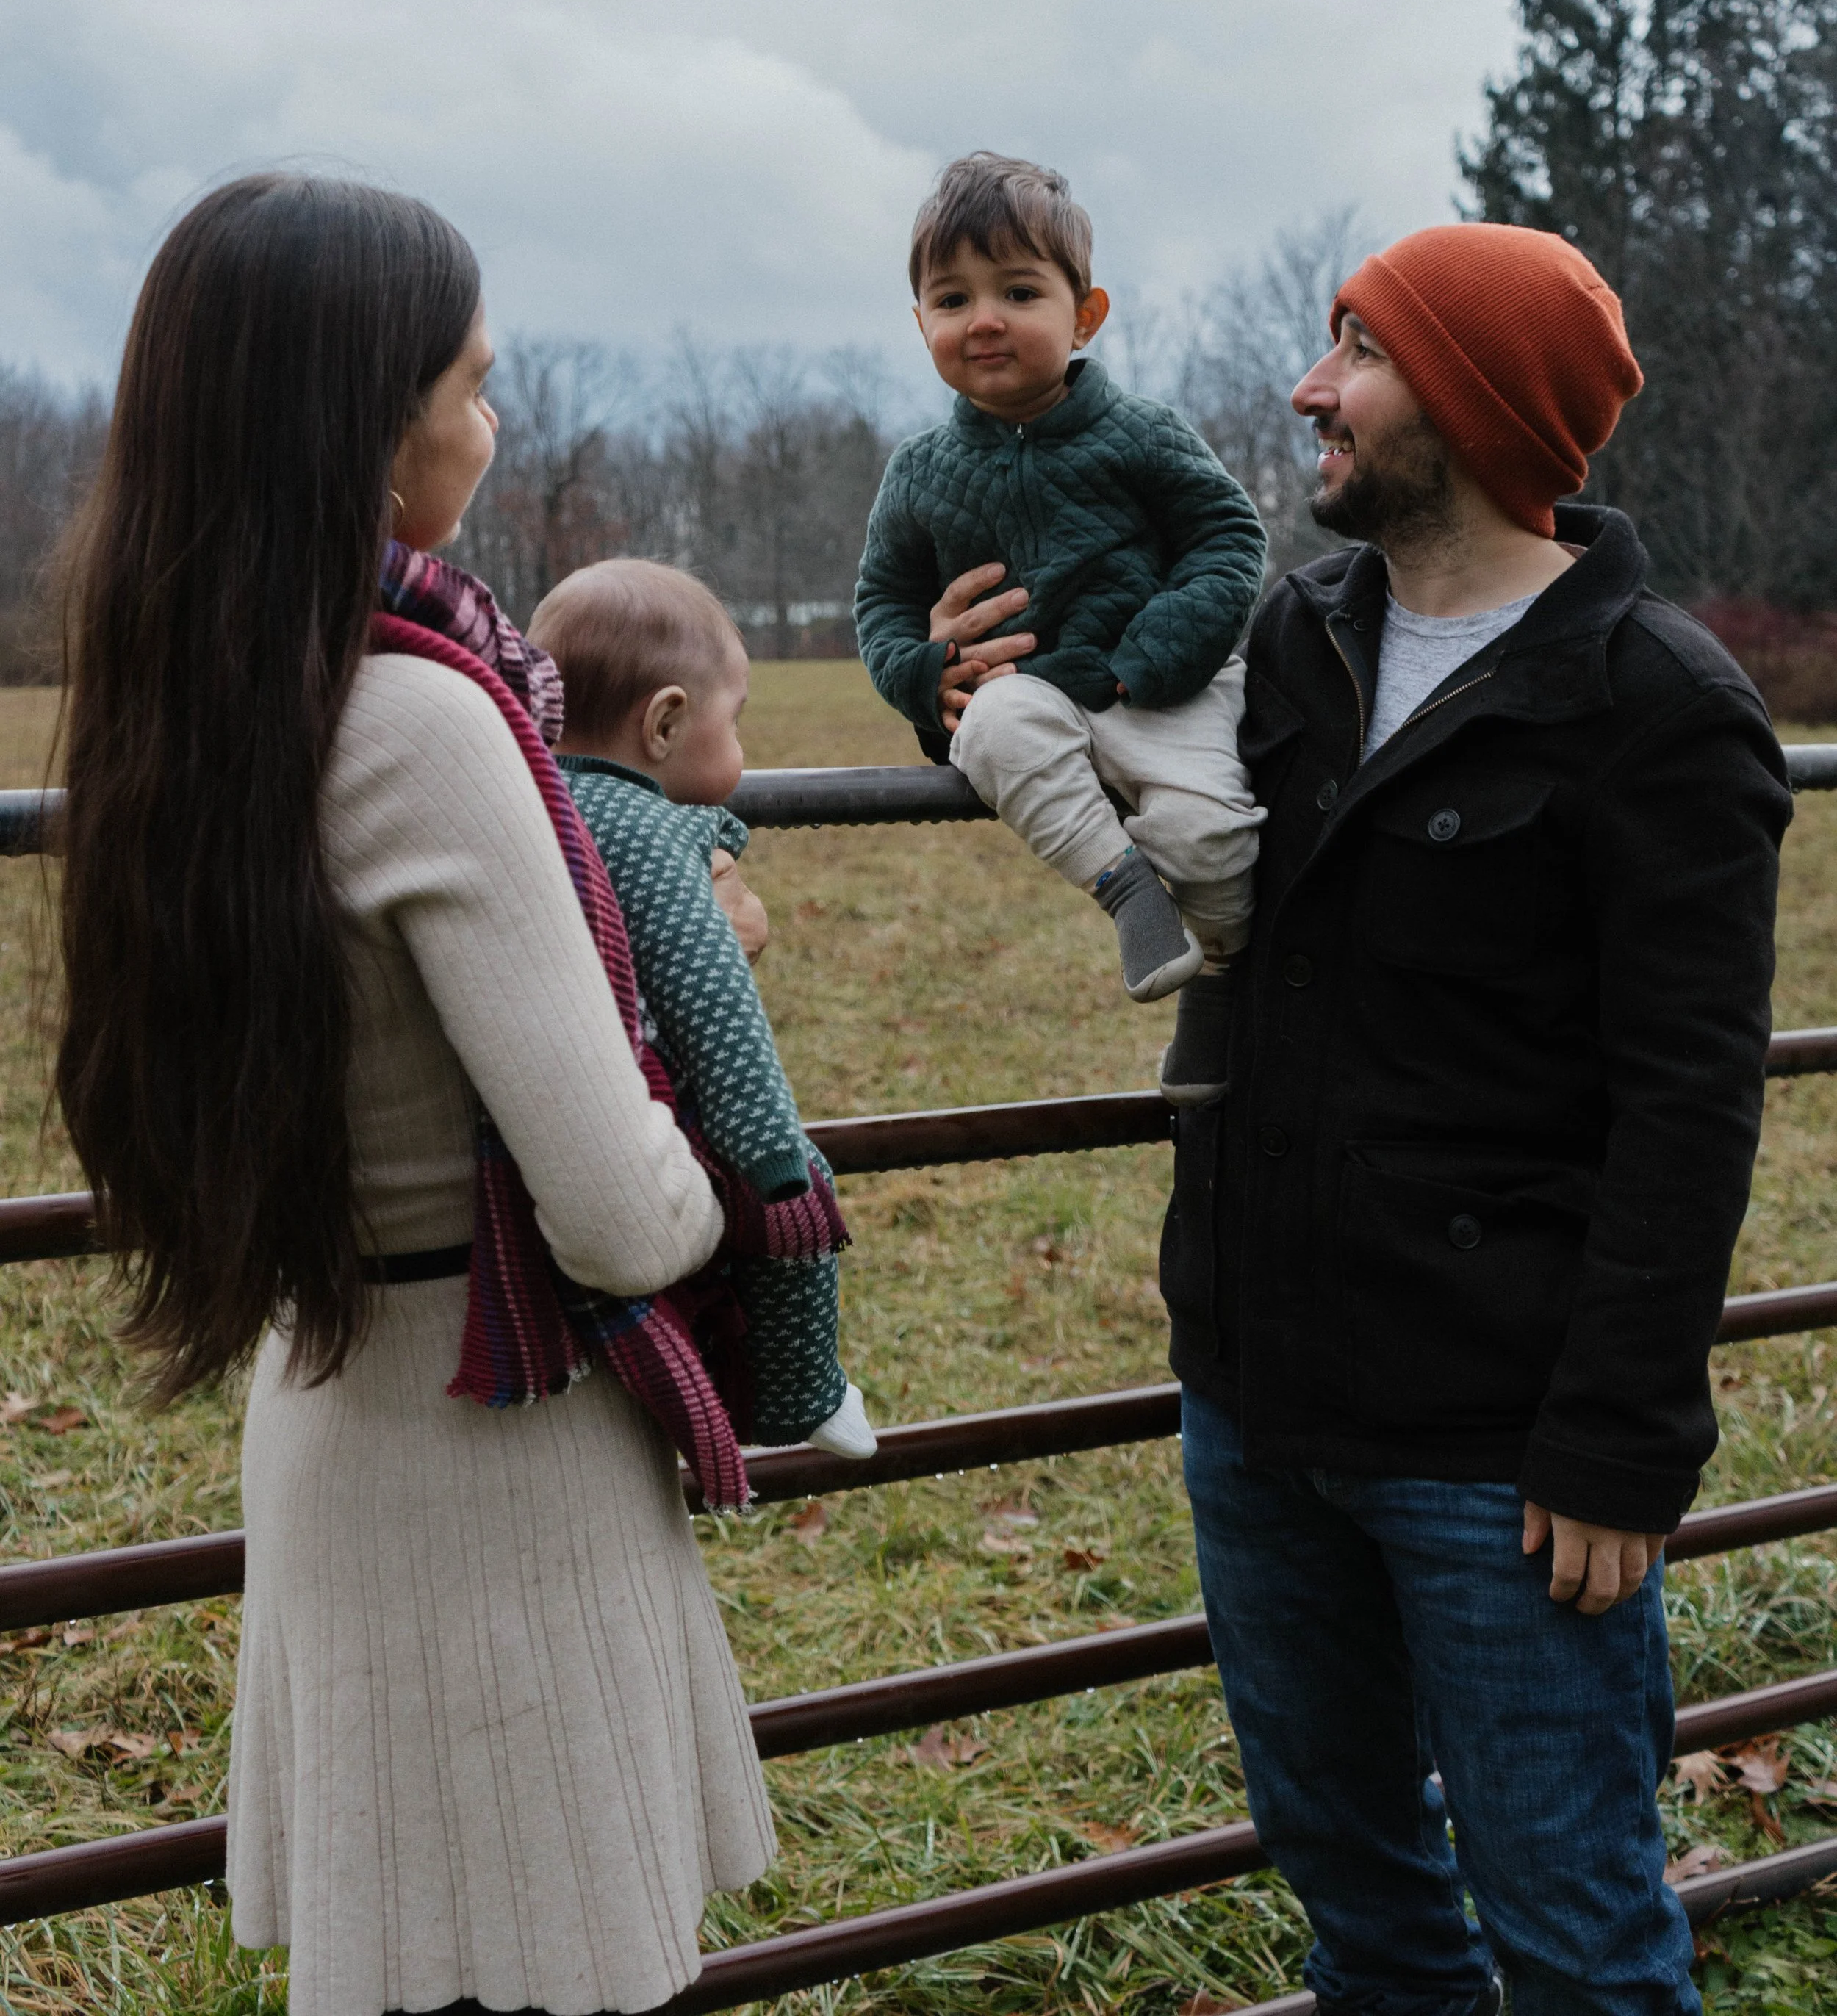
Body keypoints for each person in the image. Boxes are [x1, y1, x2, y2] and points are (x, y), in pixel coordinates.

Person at [56, 175, 774, 2016]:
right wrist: (715, 1158)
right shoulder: (426, 721)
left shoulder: (182, 709)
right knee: (553, 1973)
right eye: (471, 379)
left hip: (330, 1411)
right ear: (369, 434)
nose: (493, 418)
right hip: (503, 1454)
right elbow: (617, 1204)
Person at [1161, 222, 1792, 2016]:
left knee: (1578, 1941)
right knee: (1361, 1903)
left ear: (1475, 397)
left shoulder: (1655, 707)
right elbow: (1158, 844)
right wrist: (963, 690)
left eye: (1356, 349)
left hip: (1499, 1456)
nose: (1309, 388)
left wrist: (1616, 1439)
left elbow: (1692, 1105)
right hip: (1259, 1400)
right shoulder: (1298, 635)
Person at [853, 151, 1268, 1098]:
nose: (984, 318)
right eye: (951, 300)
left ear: (1084, 316)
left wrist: (1147, 659)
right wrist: (926, 676)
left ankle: (1230, 979)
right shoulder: (917, 473)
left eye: (1018, 290)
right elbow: (880, 602)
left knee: (1211, 842)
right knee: (994, 731)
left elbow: (1229, 538)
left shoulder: (1143, 435)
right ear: (920, 324)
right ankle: (1126, 892)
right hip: (1028, 696)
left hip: (1161, 691)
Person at [528, 555, 876, 1458]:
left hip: (545, 1105)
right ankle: (800, 1395)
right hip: (649, 1102)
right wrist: (771, 1156)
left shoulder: (531, 798)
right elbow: (712, 1002)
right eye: (738, 719)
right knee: (798, 1216)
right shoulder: (647, 831)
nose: (744, 741)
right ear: (666, 721)